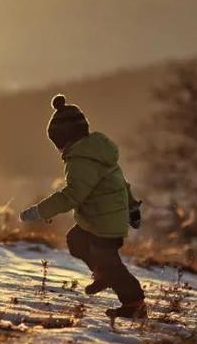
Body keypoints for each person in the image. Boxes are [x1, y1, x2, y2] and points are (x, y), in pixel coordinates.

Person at [20, 94, 146, 319]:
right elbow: (120, 183)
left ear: (63, 139)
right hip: (102, 218)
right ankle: (102, 274)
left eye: (57, 143)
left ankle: (134, 303)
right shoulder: (98, 153)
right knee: (76, 240)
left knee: (111, 265)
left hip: (103, 222)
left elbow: (73, 195)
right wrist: (132, 207)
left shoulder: (81, 160)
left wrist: (41, 211)